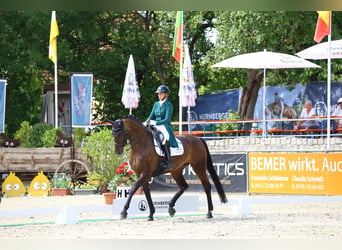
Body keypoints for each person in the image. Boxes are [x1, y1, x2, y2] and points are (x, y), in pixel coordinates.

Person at [144, 85, 178, 172]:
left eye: (161, 93)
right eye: (158, 94)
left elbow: (167, 119)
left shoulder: (169, 105)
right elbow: (151, 115)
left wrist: (155, 122)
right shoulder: (156, 104)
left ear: (166, 95)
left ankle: (168, 161)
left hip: (165, 126)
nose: (159, 95)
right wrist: (146, 122)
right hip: (155, 125)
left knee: (163, 138)